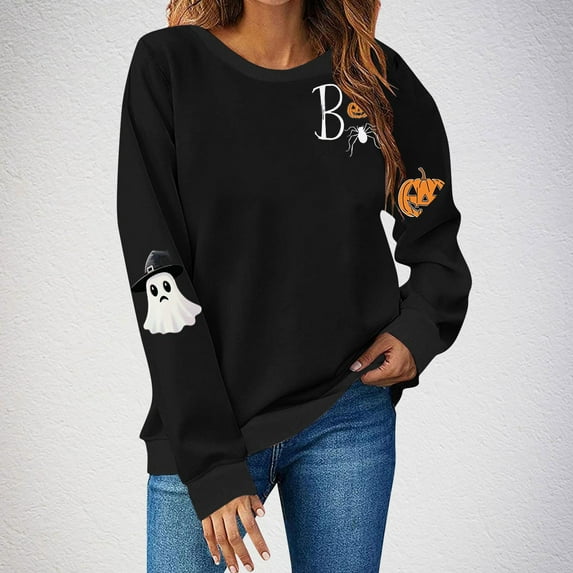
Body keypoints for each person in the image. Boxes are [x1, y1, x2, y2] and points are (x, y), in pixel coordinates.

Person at [116, 0, 472, 571]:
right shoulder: (169, 65)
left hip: (346, 415)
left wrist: (420, 328)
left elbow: (434, 237)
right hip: (207, 420)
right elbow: (157, 270)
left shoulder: (372, 79)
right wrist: (210, 460)